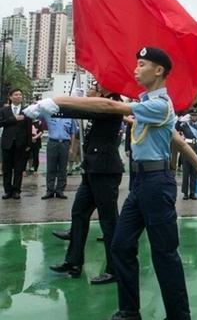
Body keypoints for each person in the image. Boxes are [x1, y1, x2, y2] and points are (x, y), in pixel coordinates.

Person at [26, 47, 197, 320]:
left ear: (158, 70)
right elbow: (177, 139)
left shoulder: (160, 104)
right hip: (140, 182)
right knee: (121, 245)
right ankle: (129, 311)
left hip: (156, 183)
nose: (135, 69)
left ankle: (179, 315)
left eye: (141, 64)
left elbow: (111, 105)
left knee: (164, 254)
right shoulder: (150, 105)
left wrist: (57, 101)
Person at [47, 83, 125, 285]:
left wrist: (56, 106)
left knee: (108, 221)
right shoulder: (101, 103)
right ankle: (73, 262)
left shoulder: (112, 104)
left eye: (94, 85)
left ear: (103, 90)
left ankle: (114, 268)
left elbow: (84, 110)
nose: (91, 87)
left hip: (105, 170)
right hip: (92, 167)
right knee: (79, 214)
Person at [0, 88, 32, 200]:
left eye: (20, 95)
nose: (18, 96)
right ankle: (7, 191)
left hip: (21, 144)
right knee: (7, 168)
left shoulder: (26, 110)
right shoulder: (4, 110)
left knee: (19, 169)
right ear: (10, 97)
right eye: (16, 94)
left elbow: (29, 128)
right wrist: (14, 119)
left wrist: (29, 144)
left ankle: (16, 191)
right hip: (7, 143)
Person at [41, 112, 77, 199]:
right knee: (51, 168)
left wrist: (71, 148)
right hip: (52, 143)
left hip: (64, 144)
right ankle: (50, 191)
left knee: (62, 168)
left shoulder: (70, 118)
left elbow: (73, 133)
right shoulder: (50, 116)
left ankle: (60, 190)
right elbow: (40, 113)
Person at [178, 108, 197, 200]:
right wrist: (180, 120)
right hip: (187, 149)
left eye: (195, 115)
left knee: (194, 173)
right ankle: (185, 193)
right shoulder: (184, 125)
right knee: (186, 172)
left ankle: (192, 192)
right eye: (192, 115)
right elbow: (176, 128)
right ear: (190, 116)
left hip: (196, 150)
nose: (194, 117)